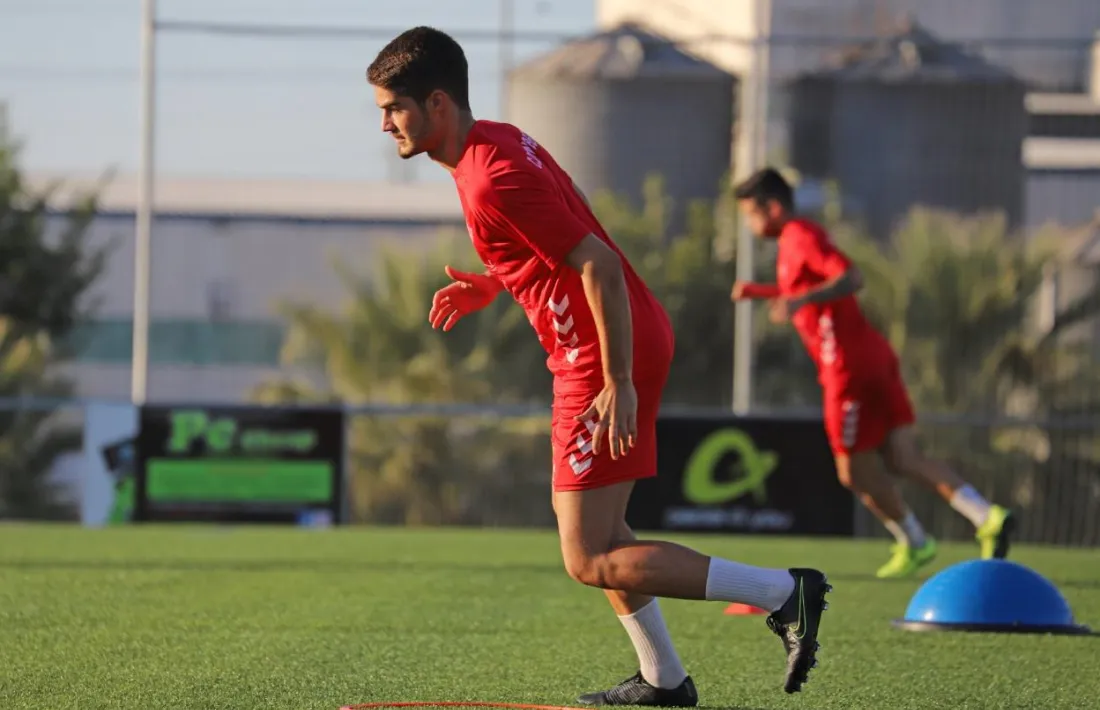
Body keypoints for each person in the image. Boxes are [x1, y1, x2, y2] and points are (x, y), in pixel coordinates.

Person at [366, 26, 830, 704]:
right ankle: (663, 678)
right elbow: (552, 234)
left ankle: (785, 593)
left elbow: (599, 264)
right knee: (603, 536)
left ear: (437, 103)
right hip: (613, 340)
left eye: (393, 109)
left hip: (599, 353)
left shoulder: (489, 177)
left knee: (588, 555)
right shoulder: (496, 143)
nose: (385, 125)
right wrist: (494, 283)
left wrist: (616, 380)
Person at [730, 167, 1016, 579]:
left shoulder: (799, 236)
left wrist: (799, 301)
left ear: (772, 208)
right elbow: (805, 291)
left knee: (851, 471)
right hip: (874, 357)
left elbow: (850, 277)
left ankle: (915, 541)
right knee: (904, 457)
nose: (749, 225)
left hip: (846, 368)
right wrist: (760, 292)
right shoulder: (797, 241)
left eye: (750, 215)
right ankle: (986, 516)